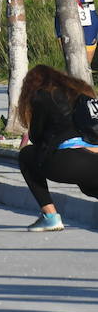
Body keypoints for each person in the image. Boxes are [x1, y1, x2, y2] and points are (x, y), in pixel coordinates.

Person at [16, 64, 98, 231]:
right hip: (94, 157)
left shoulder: (43, 95)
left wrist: (28, 139)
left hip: (69, 161)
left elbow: (37, 136)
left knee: (26, 155)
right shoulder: (83, 91)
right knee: (88, 185)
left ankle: (50, 217)